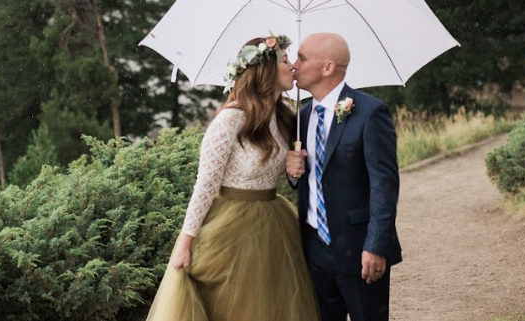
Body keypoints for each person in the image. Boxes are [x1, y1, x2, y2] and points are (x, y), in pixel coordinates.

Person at [146, 34, 319, 321]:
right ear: (265, 70)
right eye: (286, 61)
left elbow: (288, 175)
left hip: (275, 227)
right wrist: (185, 243)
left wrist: (292, 167)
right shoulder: (231, 119)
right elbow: (205, 184)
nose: (293, 68)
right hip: (230, 229)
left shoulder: (286, 117)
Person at [286, 33, 402, 321]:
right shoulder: (301, 117)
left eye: (301, 58)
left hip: (360, 246)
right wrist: (292, 173)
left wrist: (376, 245)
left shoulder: (370, 112)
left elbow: (384, 186)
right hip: (313, 247)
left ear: (327, 67)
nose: (293, 66)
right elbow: (306, 182)